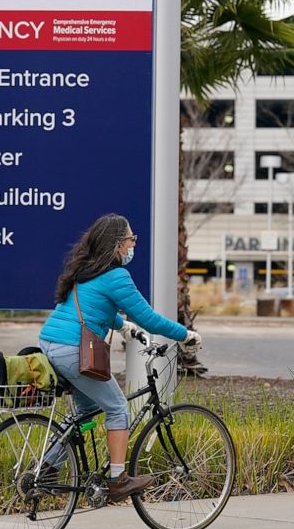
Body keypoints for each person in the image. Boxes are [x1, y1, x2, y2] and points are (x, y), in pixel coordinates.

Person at [38, 213, 201, 502]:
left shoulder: (87, 271)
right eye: (130, 239)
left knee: (85, 411)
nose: (132, 244)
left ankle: (48, 468)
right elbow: (149, 318)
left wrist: (124, 326)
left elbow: (95, 307)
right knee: (117, 409)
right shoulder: (116, 276)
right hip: (73, 350)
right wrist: (184, 334)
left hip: (51, 343)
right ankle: (118, 480)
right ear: (117, 245)